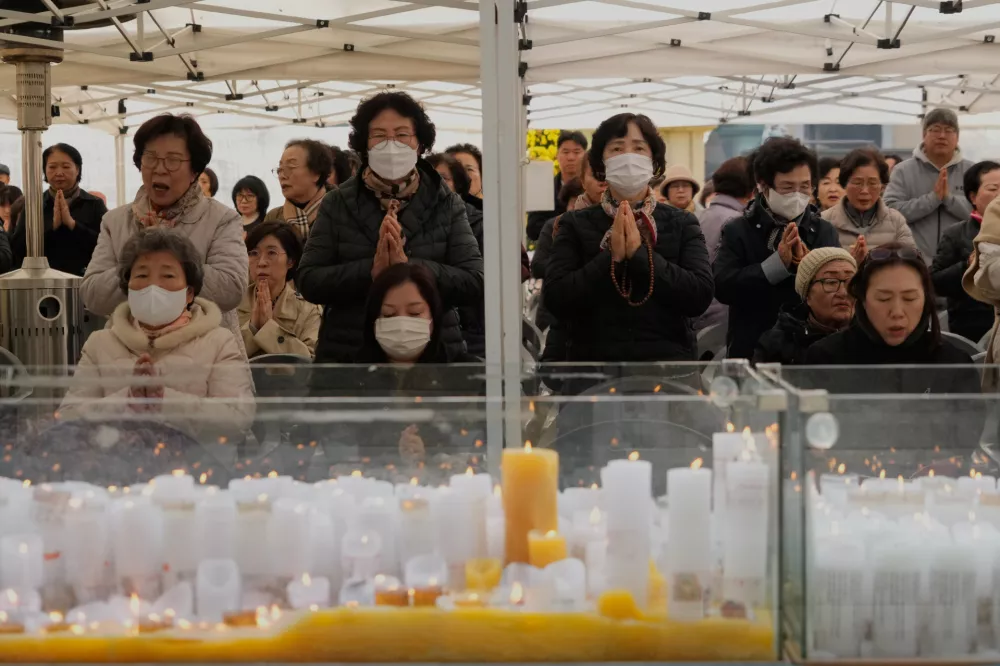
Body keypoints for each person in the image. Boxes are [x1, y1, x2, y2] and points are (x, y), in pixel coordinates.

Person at [297, 91, 483, 364]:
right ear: (365, 144)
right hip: (349, 353)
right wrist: (370, 272)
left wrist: (411, 270)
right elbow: (309, 280)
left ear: (419, 143)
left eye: (402, 134)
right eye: (379, 135)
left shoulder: (447, 203)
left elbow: (474, 280)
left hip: (434, 352)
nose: (391, 143)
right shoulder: (337, 202)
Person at [543, 112, 713, 363]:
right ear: (601, 161)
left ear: (653, 159)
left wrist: (640, 256)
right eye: (617, 148)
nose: (628, 157)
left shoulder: (682, 222)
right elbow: (556, 298)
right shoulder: (573, 223)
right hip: (592, 370)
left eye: (639, 148)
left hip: (666, 369)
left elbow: (699, 295)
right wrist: (611, 258)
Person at [59, 228, 254, 444]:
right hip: (117, 470)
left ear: (189, 292)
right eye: (142, 275)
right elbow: (69, 417)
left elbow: (238, 420)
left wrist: (163, 399)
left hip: (198, 472)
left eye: (168, 275)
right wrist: (128, 399)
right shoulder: (100, 343)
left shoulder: (219, 342)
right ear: (128, 287)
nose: (153, 286)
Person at [82, 114, 248, 356]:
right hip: (130, 359)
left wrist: (170, 250)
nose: (159, 169)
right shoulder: (115, 221)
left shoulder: (222, 219)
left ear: (194, 171)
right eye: (150, 158)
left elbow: (231, 288)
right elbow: (93, 295)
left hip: (206, 359)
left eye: (173, 160)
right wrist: (137, 261)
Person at [714, 137, 841, 359]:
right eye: (787, 187)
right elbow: (723, 286)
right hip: (751, 347)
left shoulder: (823, 231)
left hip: (811, 348)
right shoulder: (739, 230)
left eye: (804, 187)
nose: (797, 195)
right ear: (764, 185)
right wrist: (776, 266)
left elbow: (836, 292)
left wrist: (814, 269)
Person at [808, 243, 976, 370]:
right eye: (883, 299)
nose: (897, 312)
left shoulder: (953, 364)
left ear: (926, 299)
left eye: (909, 298)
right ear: (863, 300)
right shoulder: (825, 360)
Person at [885, 108, 975, 262]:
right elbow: (890, 213)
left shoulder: (972, 171)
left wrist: (948, 199)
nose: (941, 136)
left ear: (957, 137)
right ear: (924, 135)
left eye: (949, 130)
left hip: (962, 263)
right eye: (935, 130)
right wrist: (932, 199)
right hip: (914, 260)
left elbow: (984, 213)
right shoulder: (903, 170)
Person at [10, 143, 108, 276]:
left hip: (84, 279)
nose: (59, 173)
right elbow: (17, 248)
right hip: (43, 280)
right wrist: (52, 226)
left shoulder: (94, 203)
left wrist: (73, 225)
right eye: (52, 167)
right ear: (45, 170)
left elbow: (106, 246)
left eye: (66, 166)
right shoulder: (33, 204)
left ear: (77, 169)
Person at [932, 160, 1000, 343]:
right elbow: (935, 282)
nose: (999, 195)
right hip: (970, 330)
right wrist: (967, 266)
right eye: (993, 188)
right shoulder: (956, 234)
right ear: (973, 197)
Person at [754, 248, 856, 365]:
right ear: (807, 295)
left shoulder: (872, 339)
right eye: (831, 282)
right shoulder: (778, 344)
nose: (843, 292)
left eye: (851, 282)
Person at [238, 221, 321, 359]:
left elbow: (309, 365)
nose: (261, 262)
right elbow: (218, 361)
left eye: (271, 253)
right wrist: (252, 328)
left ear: (290, 261)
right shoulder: (233, 304)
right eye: (254, 253)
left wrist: (269, 330)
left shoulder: (308, 311)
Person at [822, 148, 915, 262]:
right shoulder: (825, 221)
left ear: (882, 186)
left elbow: (912, 265)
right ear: (845, 183)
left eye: (872, 183)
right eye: (858, 183)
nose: (865, 191)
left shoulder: (896, 221)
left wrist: (871, 263)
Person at [694, 156, 754, 331]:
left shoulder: (700, 216)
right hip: (723, 317)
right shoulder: (738, 224)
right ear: (752, 189)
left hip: (697, 313)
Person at [264, 138, 332, 239]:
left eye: (291, 166)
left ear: (316, 173)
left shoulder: (339, 212)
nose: (282, 176)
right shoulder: (273, 217)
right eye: (280, 169)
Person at [526, 131, 588, 241]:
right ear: (557, 155)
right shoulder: (543, 189)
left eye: (576, 152)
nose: (571, 157)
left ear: (586, 155)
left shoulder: (594, 188)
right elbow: (532, 230)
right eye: (565, 152)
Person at [231, 175, 270, 239]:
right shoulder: (229, 223)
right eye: (240, 195)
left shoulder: (266, 224)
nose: (243, 201)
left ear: (260, 199)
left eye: (249, 196)